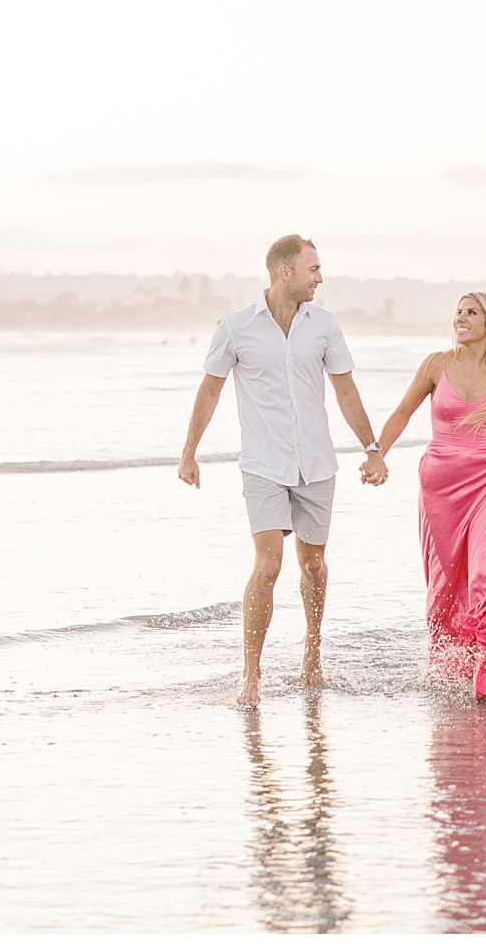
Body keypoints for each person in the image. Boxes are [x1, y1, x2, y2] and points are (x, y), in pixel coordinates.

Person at [178, 235, 387, 708]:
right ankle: (250, 674)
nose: (320, 277)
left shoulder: (325, 326)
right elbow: (209, 391)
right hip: (263, 465)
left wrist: (372, 448)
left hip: (316, 463)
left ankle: (311, 651)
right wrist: (189, 453)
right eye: (313, 269)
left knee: (312, 564)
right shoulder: (234, 328)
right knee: (268, 564)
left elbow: (346, 391)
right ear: (284, 272)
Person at [376, 293, 486, 699]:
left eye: (470, 313)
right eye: (458, 312)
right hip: (441, 487)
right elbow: (403, 411)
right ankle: (452, 667)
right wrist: (377, 454)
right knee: (446, 586)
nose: (460, 318)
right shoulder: (435, 365)